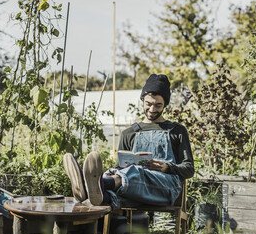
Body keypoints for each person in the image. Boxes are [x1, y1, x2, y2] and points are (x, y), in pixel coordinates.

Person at [63, 74, 194, 208]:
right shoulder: (129, 133)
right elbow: (119, 168)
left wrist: (168, 167)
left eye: (158, 105)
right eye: (148, 104)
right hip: (132, 189)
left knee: (134, 173)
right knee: (116, 183)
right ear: (142, 100)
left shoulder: (177, 131)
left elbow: (189, 169)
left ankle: (88, 185)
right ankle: (96, 190)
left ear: (165, 104)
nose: (152, 109)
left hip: (165, 189)